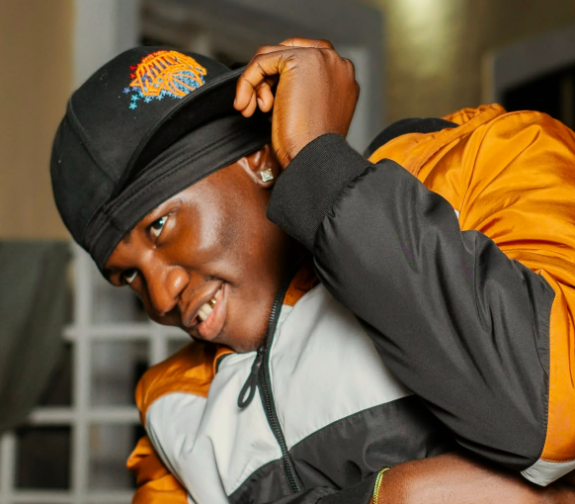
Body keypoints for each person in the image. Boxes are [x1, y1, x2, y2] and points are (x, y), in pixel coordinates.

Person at [50, 39, 575, 504]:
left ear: (260, 160)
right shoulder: (173, 405)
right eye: (128, 276)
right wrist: (390, 497)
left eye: (160, 226)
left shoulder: (485, 165)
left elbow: (549, 420)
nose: (161, 297)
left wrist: (320, 169)